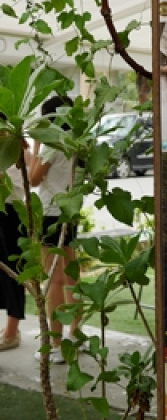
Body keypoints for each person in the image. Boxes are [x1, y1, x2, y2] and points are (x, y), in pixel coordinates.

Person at [27, 95, 79, 364]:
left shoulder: (51, 144)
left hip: (51, 214)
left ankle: (56, 344)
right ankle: (76, 334)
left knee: (54, 279)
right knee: (71, 275)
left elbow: (33, 179)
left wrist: (37, 142)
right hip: (71, 211)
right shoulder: (77, 142)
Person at [0, 160, 26, 351]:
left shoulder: (13, 149)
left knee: (13, 272)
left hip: (10, 209)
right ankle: (9, 330)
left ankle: (11, 331)